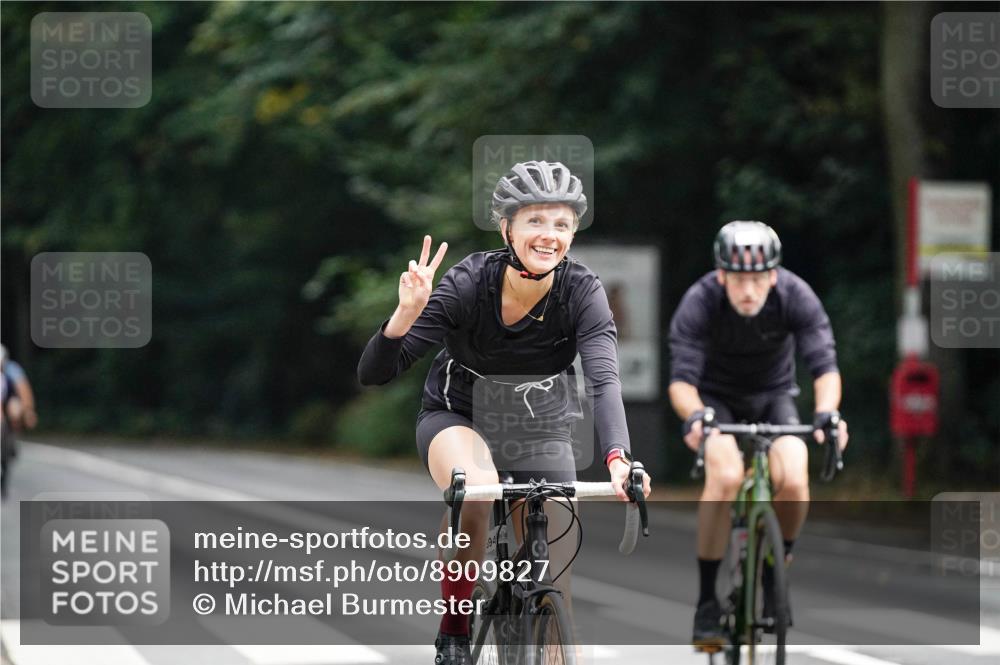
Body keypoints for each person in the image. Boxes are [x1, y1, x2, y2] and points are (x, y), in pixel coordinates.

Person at [358, 160, 651, 664]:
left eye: (561, 224)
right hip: (459, 416)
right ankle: (454, 627)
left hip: (541, 425)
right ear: (507, 228)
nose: (549, 235)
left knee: (557, 584)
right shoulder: (469, 282)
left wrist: (619, 458)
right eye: (535, 221)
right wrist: (404, 315)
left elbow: (604, 379)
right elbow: (376, 372)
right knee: (475, 491)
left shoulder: (582, 291)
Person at [667, 221, 849, 647]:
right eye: (738, 280)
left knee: (795, 475)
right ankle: (707, 601)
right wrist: (696, 416)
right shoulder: (701, 300)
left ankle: (774, 572)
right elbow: (681, 382)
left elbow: (824, 367)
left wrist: (827, 414)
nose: (748, 290)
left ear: (773, 276)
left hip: (774, 396)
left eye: (757, 279)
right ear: (721, 276)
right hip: (715, 400)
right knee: (726, 475)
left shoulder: (796, 295)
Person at [1, 344, 37, 499]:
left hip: (9, 405)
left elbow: (23, 390)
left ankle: (10, 445)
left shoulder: (12, 370)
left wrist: (28, 412)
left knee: (15, 409)